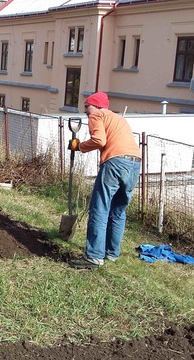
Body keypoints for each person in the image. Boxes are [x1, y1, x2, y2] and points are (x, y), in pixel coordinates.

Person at [68, 92, 141, 269]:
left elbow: (99, 140)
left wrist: (79, 147)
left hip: (115, 163)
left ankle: (93, 257)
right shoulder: (119, 119)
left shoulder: (97, 115)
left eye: (87, 105)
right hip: (134, 163)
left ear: (97, 106)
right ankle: (111, 253)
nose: (85, 110)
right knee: (118, 210)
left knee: (99, 209)